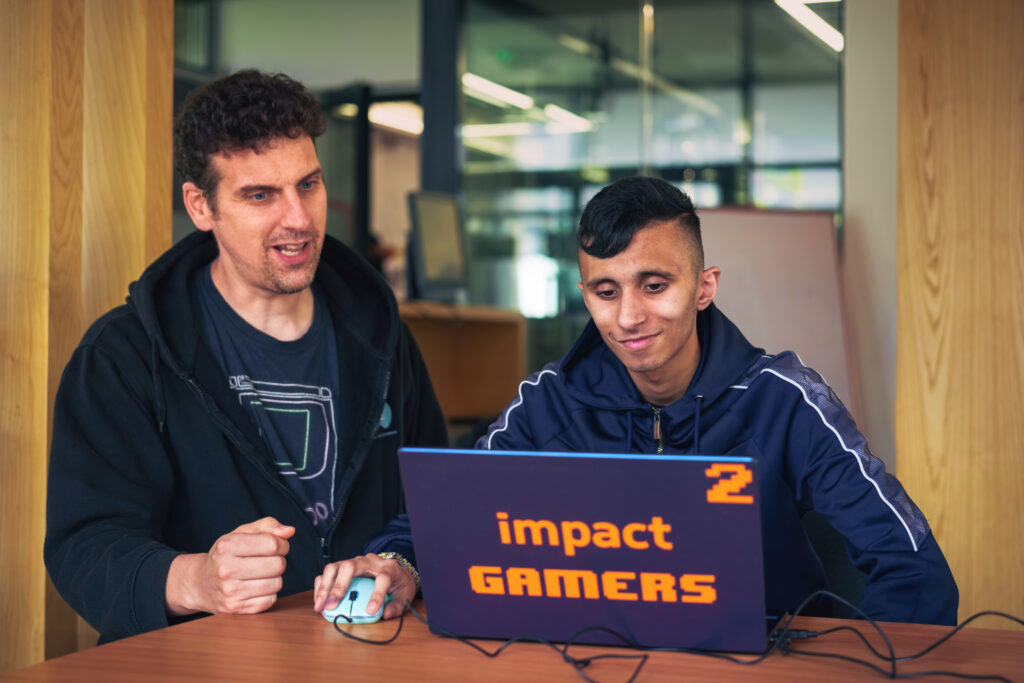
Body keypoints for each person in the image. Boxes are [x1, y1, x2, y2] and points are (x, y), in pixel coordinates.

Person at [44, 69, 447, 643]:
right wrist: (196, 580)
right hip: (204, 666)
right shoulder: (125, 355)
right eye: (260, 195)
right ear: (200, 205)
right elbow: (83, 547)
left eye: (308, 184)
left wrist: (402, 567)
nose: (299, 220)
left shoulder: (380, 336)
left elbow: (436, 499)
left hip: (366, 655)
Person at [476, 176, 958, 625]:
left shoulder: (785, 402)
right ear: (585, 295)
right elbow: (449, 514)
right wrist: (400, 561)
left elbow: (915, 568)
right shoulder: (549, 402)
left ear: (704, 287)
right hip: (598, 657)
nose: (628, 317)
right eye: (606, 291)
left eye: (654, 286)